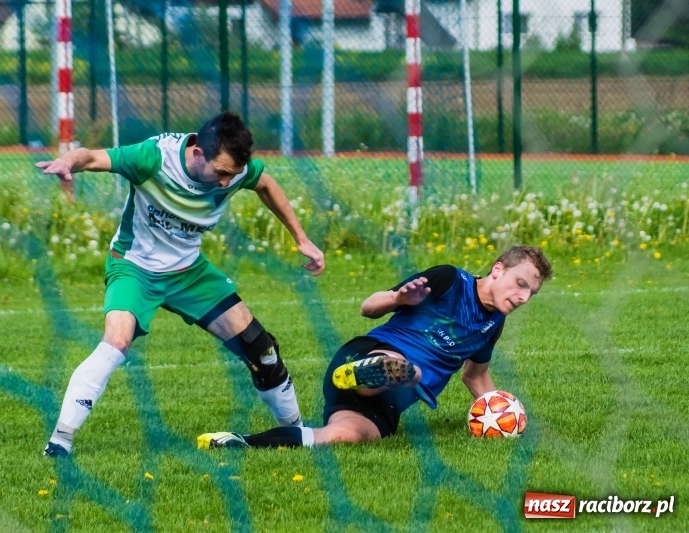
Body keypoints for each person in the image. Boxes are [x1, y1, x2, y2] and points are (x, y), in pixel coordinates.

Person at [37, 112, 325, 457]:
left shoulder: (233, 169)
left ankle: (296, 434)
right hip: (135, 268)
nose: (225, 184)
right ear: (198, 153)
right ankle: (59, 442)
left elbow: (264, 183)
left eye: (232, 176)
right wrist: (68, 161)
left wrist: (301, 238)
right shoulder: (153, 158)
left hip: (190, 272)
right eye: (220, 173)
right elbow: (94, 157)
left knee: (260, 347)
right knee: (116, 341)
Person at [197, 245, 551, 449]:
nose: (522, 297)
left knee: (342, 437)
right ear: (497, 269)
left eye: (530, 293)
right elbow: (368, 307)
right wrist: (399, 297)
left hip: (387, 402)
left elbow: (476, 377)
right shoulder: (448, 279)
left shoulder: (493, 323)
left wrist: (504, 417)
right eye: (519, 284)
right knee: (407, 369)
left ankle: (237, 442)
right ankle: (372, 370)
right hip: (371, 352)